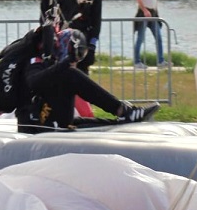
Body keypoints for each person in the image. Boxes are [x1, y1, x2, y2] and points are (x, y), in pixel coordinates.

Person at [17, 26, 160, 133]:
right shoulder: (35, 60)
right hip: (35, 124)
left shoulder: (49, 61)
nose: (75, 62)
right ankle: (123, 110)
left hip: (46, 118)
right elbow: (33, 82)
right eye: (75, 57)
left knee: (82, 121)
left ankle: (123, 119)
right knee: (70, 74)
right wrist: (65, 63)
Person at [133, 0, 165, 68]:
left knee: (159, 37)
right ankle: (137, 62)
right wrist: (145, 10)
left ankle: (161, 61)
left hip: (153, 14)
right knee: (140, 38)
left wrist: (156, 12)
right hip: (143, 14)